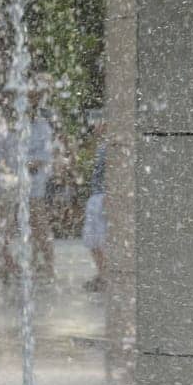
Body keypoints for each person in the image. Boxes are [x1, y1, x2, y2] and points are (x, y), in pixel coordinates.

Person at [0, 104, 57, 285]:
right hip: (10, 184)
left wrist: (23, 168)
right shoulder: (5, 127)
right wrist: (10, 172)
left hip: (34, 184)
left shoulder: (42, 126)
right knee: (6, 225)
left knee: (40, 225)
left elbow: (44, 158)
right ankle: (4, 266)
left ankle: (49, 268)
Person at [81, 110, 108, 293]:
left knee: (99, 237)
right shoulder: (103, 146)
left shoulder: (109, 147)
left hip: (102, 197)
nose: (95, 127)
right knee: (93, 238)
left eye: (98, 123)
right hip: (97, 196)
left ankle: (105, 275)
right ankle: (103, 273)